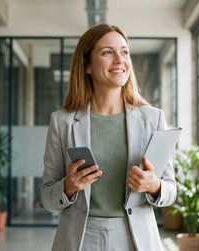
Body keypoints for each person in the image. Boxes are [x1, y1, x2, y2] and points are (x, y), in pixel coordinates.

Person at [41, 23, 177, 251]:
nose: (119, 60)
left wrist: (154, 186)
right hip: (80, 239)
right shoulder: (62, 121)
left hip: (136, 239)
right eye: (107, 52)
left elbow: (171, 190)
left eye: (124, 52)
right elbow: (47, 198)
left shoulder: (153, 119)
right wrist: (68, 186)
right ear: (87, 66)